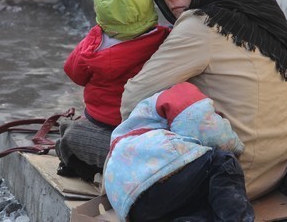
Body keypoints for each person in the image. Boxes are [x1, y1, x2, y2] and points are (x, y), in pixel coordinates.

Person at [121, 0, 287, 201]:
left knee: (82, 137)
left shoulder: (202, 26)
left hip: (225, 176)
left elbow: (130, 100)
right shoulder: (252, 16)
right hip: (271, 168)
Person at [54, 0, 170, 180]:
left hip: (102, 121)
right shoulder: (165, 39)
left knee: (70, 134)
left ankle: (75, 164)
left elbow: (74, 72)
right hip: (145, 125)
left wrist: (94, 36)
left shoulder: (95, 46)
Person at [105, 82, 254, 221]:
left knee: (203, 203)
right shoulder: (181, 92)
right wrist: (236, 147)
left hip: (131, 206)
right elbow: (206, 127)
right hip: (152, 176)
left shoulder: (136, 122)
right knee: (223, 162)